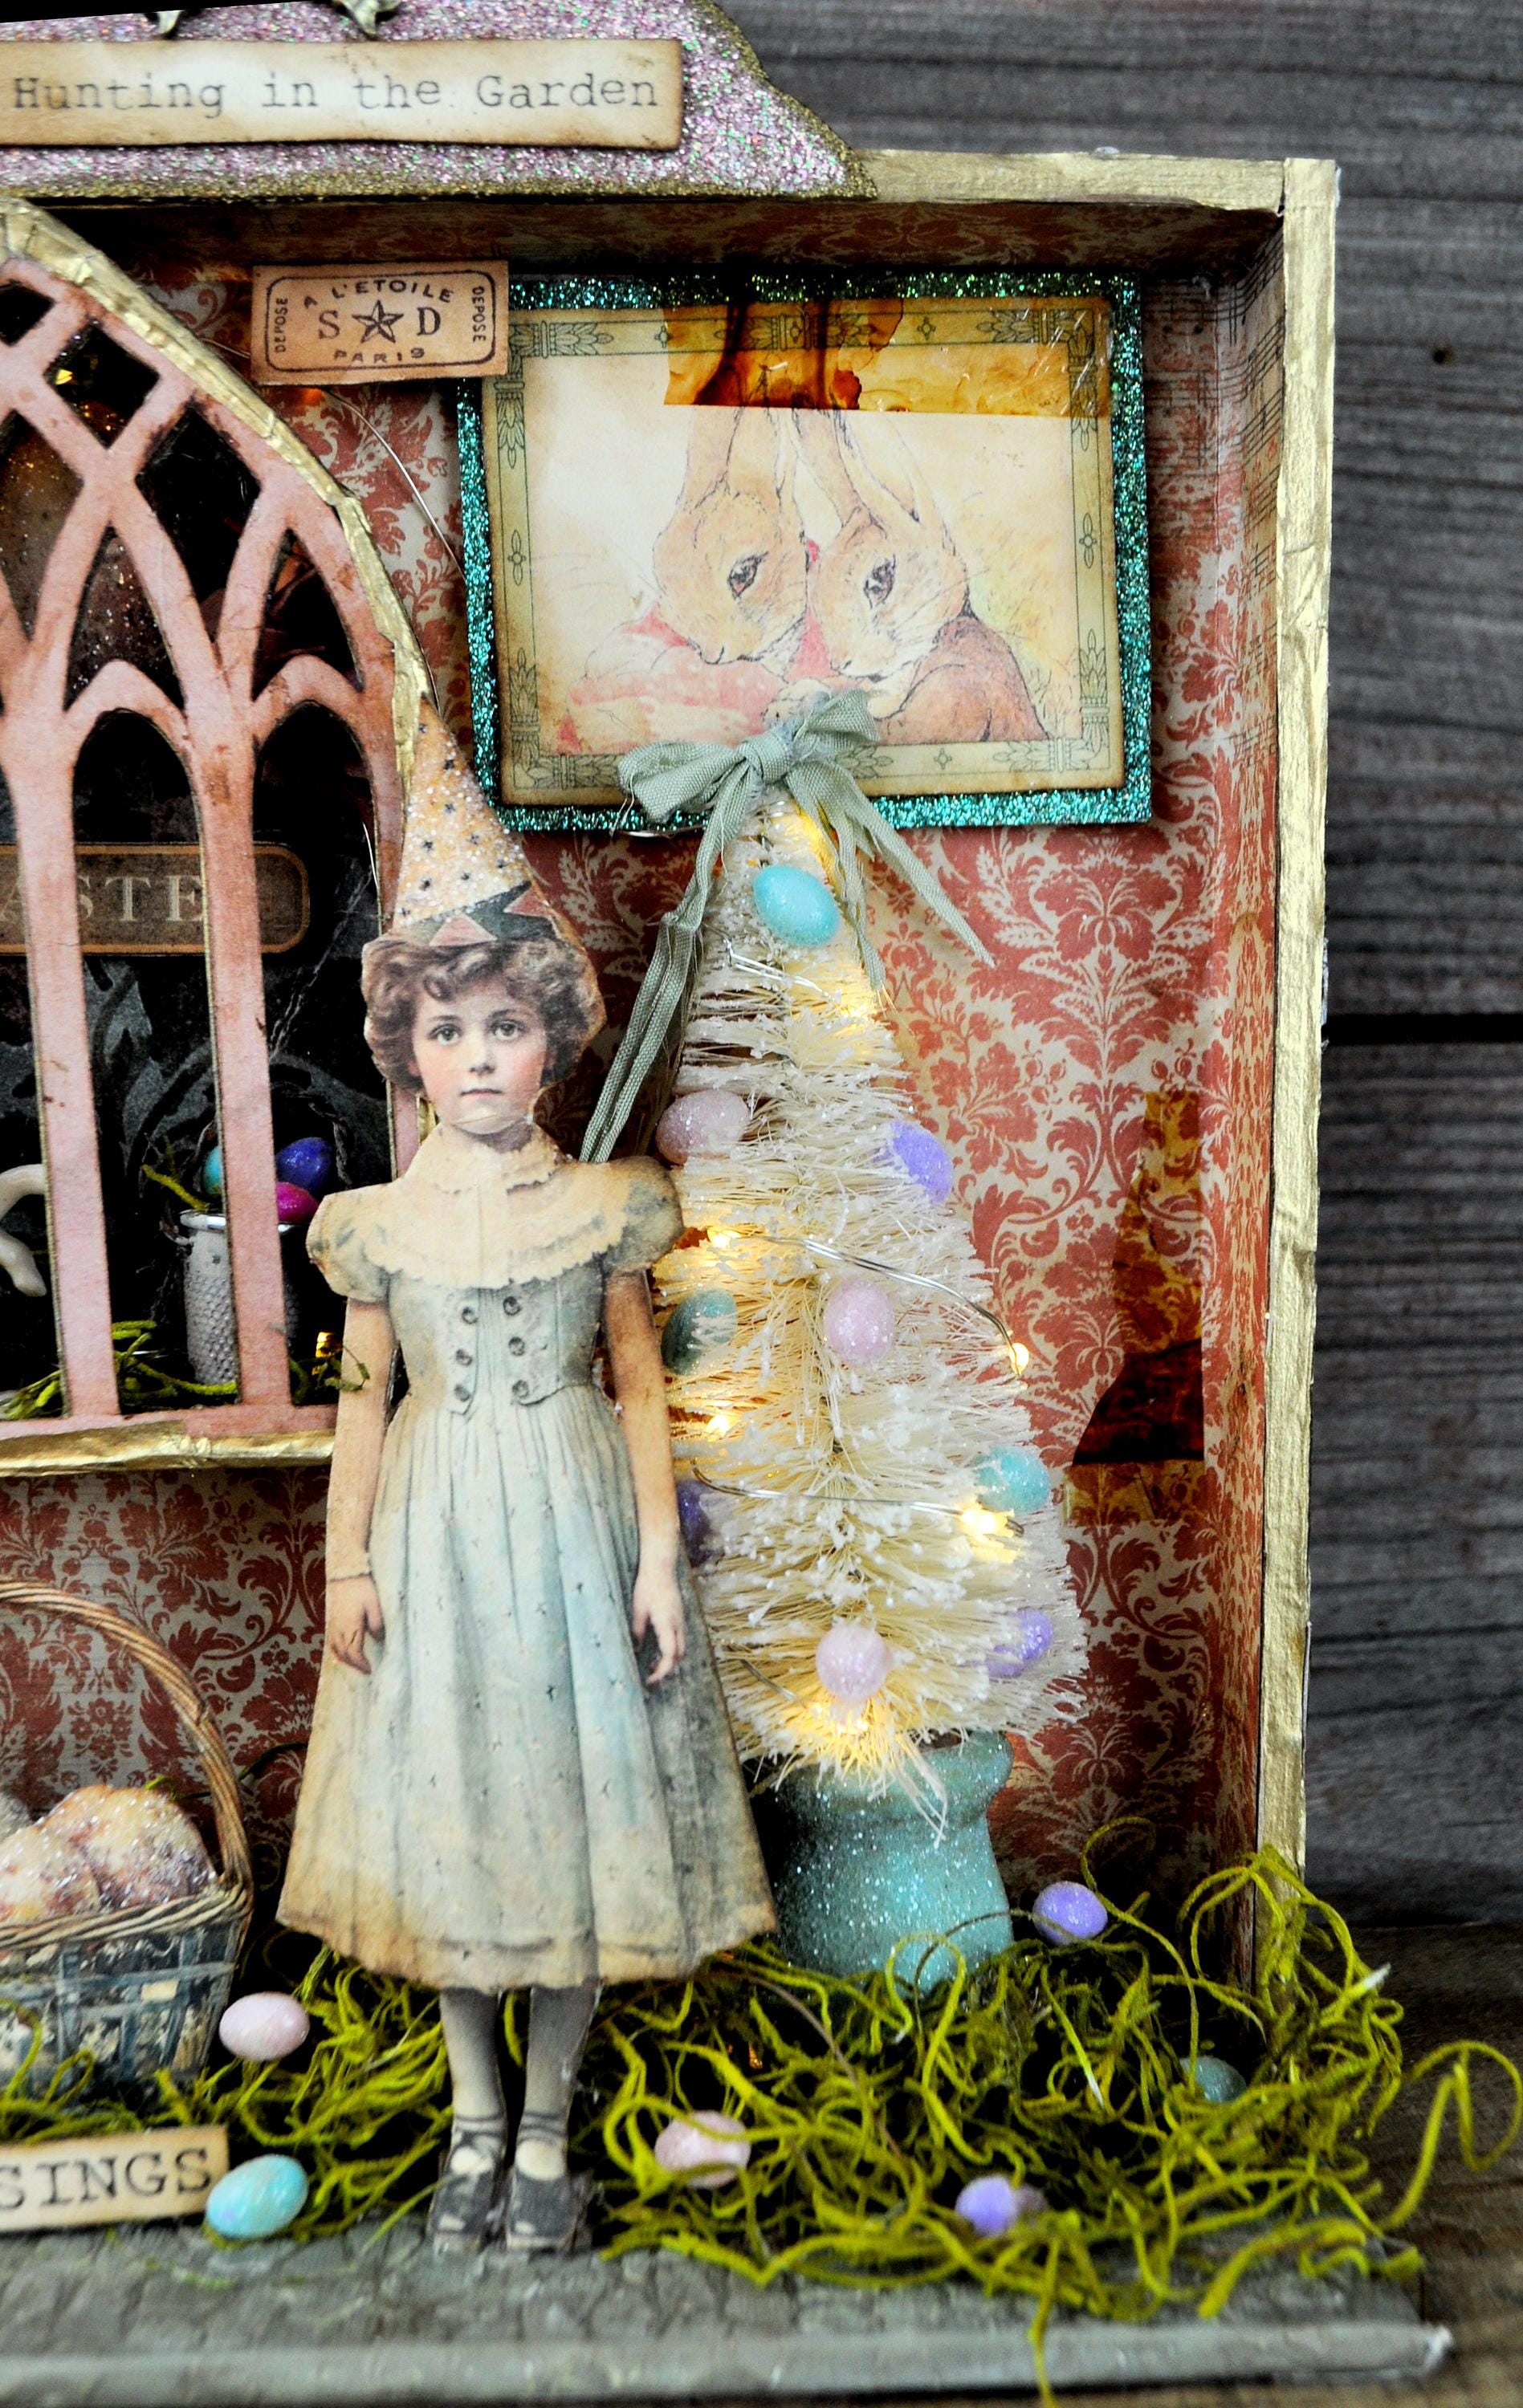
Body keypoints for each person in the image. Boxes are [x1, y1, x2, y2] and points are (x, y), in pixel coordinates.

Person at [279, 704, 773, 2255]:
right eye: (447, 1033)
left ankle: (549, 2129)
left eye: (503, 1028)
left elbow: (638, 1385)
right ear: (409, 1050)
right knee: (453, 1811)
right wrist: (347, 1563)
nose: (477, 1058)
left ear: (551, 1039)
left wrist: (655, 1558)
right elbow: (364, 1401)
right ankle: (472, 2118)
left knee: (569, 1816)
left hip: (569, 1518)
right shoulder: (376, 1226)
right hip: (431, 1524)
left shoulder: (603, 1208)